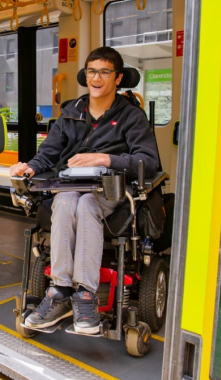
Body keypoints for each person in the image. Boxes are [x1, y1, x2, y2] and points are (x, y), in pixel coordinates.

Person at [9, 46, 159, 335]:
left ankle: (85, 295)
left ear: (117, 78)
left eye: (104, 72)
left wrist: (105, 159)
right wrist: (29, 167)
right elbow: (48, 155)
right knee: (65, 202)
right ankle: (61, 291)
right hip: (70, 187)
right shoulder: (70, 113)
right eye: (92, 71)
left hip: (110, 191)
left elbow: (149, 162)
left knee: (87, 204)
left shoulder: (131, 117)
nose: (97, 78)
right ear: (86, 76)